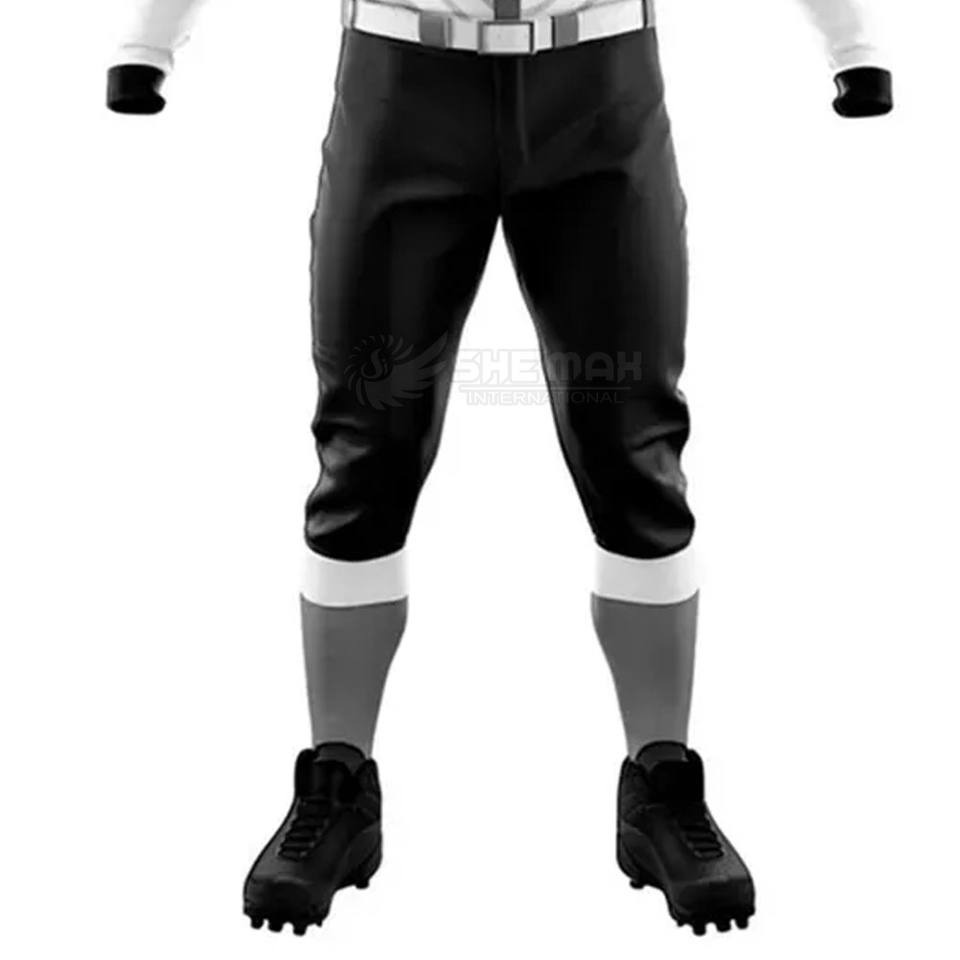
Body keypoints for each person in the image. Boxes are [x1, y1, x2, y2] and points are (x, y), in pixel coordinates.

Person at [106, 0, 893, 937]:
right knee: (366, 444)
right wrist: (149, 37)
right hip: (403, 85)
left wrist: (850, 38)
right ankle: (338, 785)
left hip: (598, 87)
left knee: (633, 442)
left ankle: (660, 783)